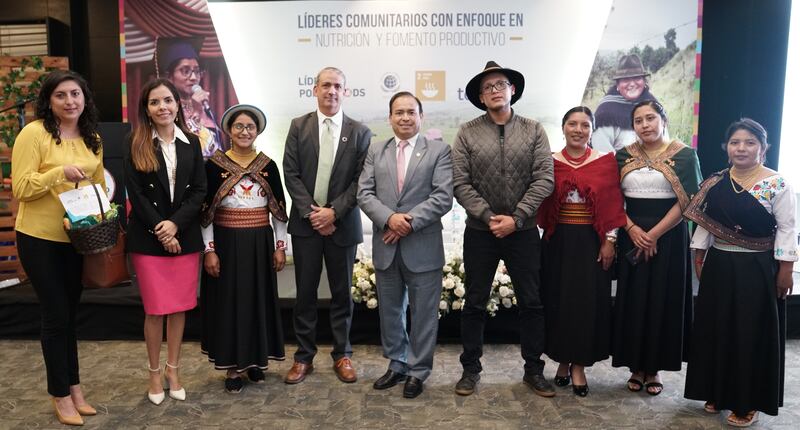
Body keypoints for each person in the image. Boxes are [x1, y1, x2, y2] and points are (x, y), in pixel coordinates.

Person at [684, 118, 796, 427]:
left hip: (757, 268)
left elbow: (788, 229)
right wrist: (699, 257)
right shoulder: (716, 181)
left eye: (749, 142)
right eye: (735, 142)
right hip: (719, 265)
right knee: (716, 328)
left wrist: (786, 270)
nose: (741, 148)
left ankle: (748, 401)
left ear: (763, 148)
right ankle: (716, 391)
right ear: (727, 147)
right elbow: (705, 225)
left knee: (749, 334)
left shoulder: (777, 183)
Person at [452, 61, 555, 397]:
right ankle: (470, 370)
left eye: (501, 84)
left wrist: (518, 218)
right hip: (480, 232)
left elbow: (544, 179)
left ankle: (533, 370)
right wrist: (487, 216)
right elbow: (460, 182)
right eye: (488, 87)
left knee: (532, 302)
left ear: (513, 90)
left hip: (523, 231)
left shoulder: (534, 129)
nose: (495, 90)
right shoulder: (467, 132)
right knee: (475, 303)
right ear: (481, 98)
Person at [12, 70, 104, 426]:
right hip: (38, 238)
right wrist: (58, 174)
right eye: (61, 95)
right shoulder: (33, 134)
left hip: (77, 238)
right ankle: (60, 394)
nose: (70, 101)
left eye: (76, 94)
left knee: (70, 316)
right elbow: (21, 188)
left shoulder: (92, 138)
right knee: (56, 315)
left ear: (85, 99)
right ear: (48, 101)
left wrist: (102, 214)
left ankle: (75, 387)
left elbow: (96, 187)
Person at [357, 91, 453, 398]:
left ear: (421, 117)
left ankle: (418, 370)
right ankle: (396, 364)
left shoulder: (439, 151)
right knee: (390, 311)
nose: (405, 117)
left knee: (424, 314)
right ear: (390, 118)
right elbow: (364, 193)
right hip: (387, 247)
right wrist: (390, 219)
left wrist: (405, 222)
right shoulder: (376, 150)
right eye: (399, 112)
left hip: (422, 247)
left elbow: (442, 197)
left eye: (411, 112)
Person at [282, 67, 372, 384]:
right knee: (305, 294)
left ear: (344, 91)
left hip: (342, 226)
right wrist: (313, 213)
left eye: (337, 86)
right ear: (315, 89)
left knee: (340, 296)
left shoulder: (360, 131)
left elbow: (361, 181)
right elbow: (290, 173)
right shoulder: (298, 126)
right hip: (307, 227)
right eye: (325, 85)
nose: (331, 91)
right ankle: (303, 357)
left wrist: (333, 213)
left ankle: (342, 355)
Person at [124, 78, 207, 405]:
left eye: (168, 101)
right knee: (156, 309)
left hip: (184, 236)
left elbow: (199, 190)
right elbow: (137, 193)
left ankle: (174, 370)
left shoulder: (192, 143)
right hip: (148, 238)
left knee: (179, 308)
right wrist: (162, 228)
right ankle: (154, 373)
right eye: (155, 102)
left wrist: (175, 225)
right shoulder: (136, 142)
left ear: (178, 104)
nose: (163, 107)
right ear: (146, 109)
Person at [611, 100, 702, 395]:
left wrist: (654, 234)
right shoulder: (623, 155)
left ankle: (655, 369)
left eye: (651, 118)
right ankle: (635, 366)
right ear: (633, 126)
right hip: (631, 235)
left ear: (663, 120)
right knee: (634, 299)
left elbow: (689, 200)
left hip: (670, 236)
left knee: (663, 300)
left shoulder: (686, 155)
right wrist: (634, 230)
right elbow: (613, 198)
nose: (645, 125)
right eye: (639, 120)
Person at [537, 106, 626, 397]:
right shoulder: (549, 161)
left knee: (587, 303)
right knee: (558, 300)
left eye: (585, 125)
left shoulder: (605, 162)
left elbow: (613, 205)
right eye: (572, 124)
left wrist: (609, 241)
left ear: (592, 130)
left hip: (592, 240)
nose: (578, 129)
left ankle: (579, 366)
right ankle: (562, 360)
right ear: (563, 128)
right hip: (557, 240)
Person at [200, 104, 289, 393]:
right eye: (238, 126)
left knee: (257, 301)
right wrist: (209, 250)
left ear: (258, 131)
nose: (244, 131)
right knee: (230, 303)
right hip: (226, 243)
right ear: (228, 130)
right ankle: (232, 367)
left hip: (259, 244)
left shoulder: (268, 165)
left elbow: (279, 212)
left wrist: (279, 247)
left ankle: (254, 362)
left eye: (250, 127)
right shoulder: (213, 166)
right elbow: (206, 213)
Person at [155, 36, 221, 157]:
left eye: (196, 71)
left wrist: (201, 112)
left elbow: (217, 151)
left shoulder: (205, 107)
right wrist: (197, 114)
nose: (193, 78)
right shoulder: (164, 110)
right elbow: (185, 152)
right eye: (185, 71)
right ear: (169, 76)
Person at [592, 54, 663, 153]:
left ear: (644, 82)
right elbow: (602, 155)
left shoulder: (654, 105)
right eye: (626, 79)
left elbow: (664, 142)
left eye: (637, 78)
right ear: (618, 85)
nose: (632, 84)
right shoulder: (605, 113)